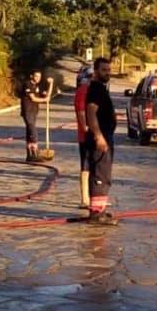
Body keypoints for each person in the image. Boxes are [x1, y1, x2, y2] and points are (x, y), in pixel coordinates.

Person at [85, 57, 118, 225]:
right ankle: (96, 214)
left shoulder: (101, 88)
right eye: (104, 70)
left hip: (106, 136)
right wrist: (98, 136)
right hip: (101, 137)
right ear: (96, 71)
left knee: (104, 173)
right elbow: (91, 113)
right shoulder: (96, 89)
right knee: (100, 174)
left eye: (109, 70)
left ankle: (100, 209)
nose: (107, 73)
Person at [20, 70, 52, 161]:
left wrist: (51, 84)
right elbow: (33, 98)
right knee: (33, 132)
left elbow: (47, 96)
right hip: (27, 112)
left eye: (39, 77)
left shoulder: (37, 86)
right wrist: (44, 99)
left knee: (30, 133)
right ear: (31, 76)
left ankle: (29, 154)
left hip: (34, 112)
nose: (38, 78)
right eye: (36, 76)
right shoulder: (27, 85)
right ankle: (35, 153)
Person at [73, 67, 93, 209]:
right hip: (86, 135)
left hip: (97, 134)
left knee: (96, 167)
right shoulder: (83, 91)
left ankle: (95, 198)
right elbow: (81, 111)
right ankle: (85, 199)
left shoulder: (97, 91)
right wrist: (85, 127)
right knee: (85, 166)